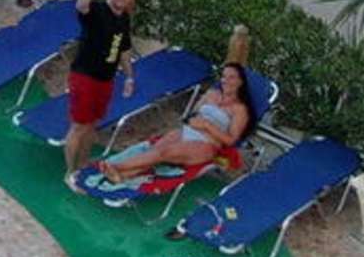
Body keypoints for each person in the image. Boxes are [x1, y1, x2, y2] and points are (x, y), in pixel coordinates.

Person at [101, 62, 253, 184]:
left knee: (163, 153)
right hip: (186, 132)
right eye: (224, 76)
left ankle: (116, 167)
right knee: (155, 151)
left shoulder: (240, 110)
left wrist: (208, 126)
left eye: (231, 77)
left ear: (241, 82)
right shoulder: (212, 94)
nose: (225, 81)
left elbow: (231, 141)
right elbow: (192, 115)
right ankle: (123, 175)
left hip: (206, 145)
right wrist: (193, 118)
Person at [63, 0, 137, 186]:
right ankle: (70, 174)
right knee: (79, 127)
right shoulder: (97, 10)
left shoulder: (124, 18)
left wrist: (129, 76)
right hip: (85, 77)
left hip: (106, 81)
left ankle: (83, 165)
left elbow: (124, 49)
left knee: (92, 125)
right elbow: (81, 6)